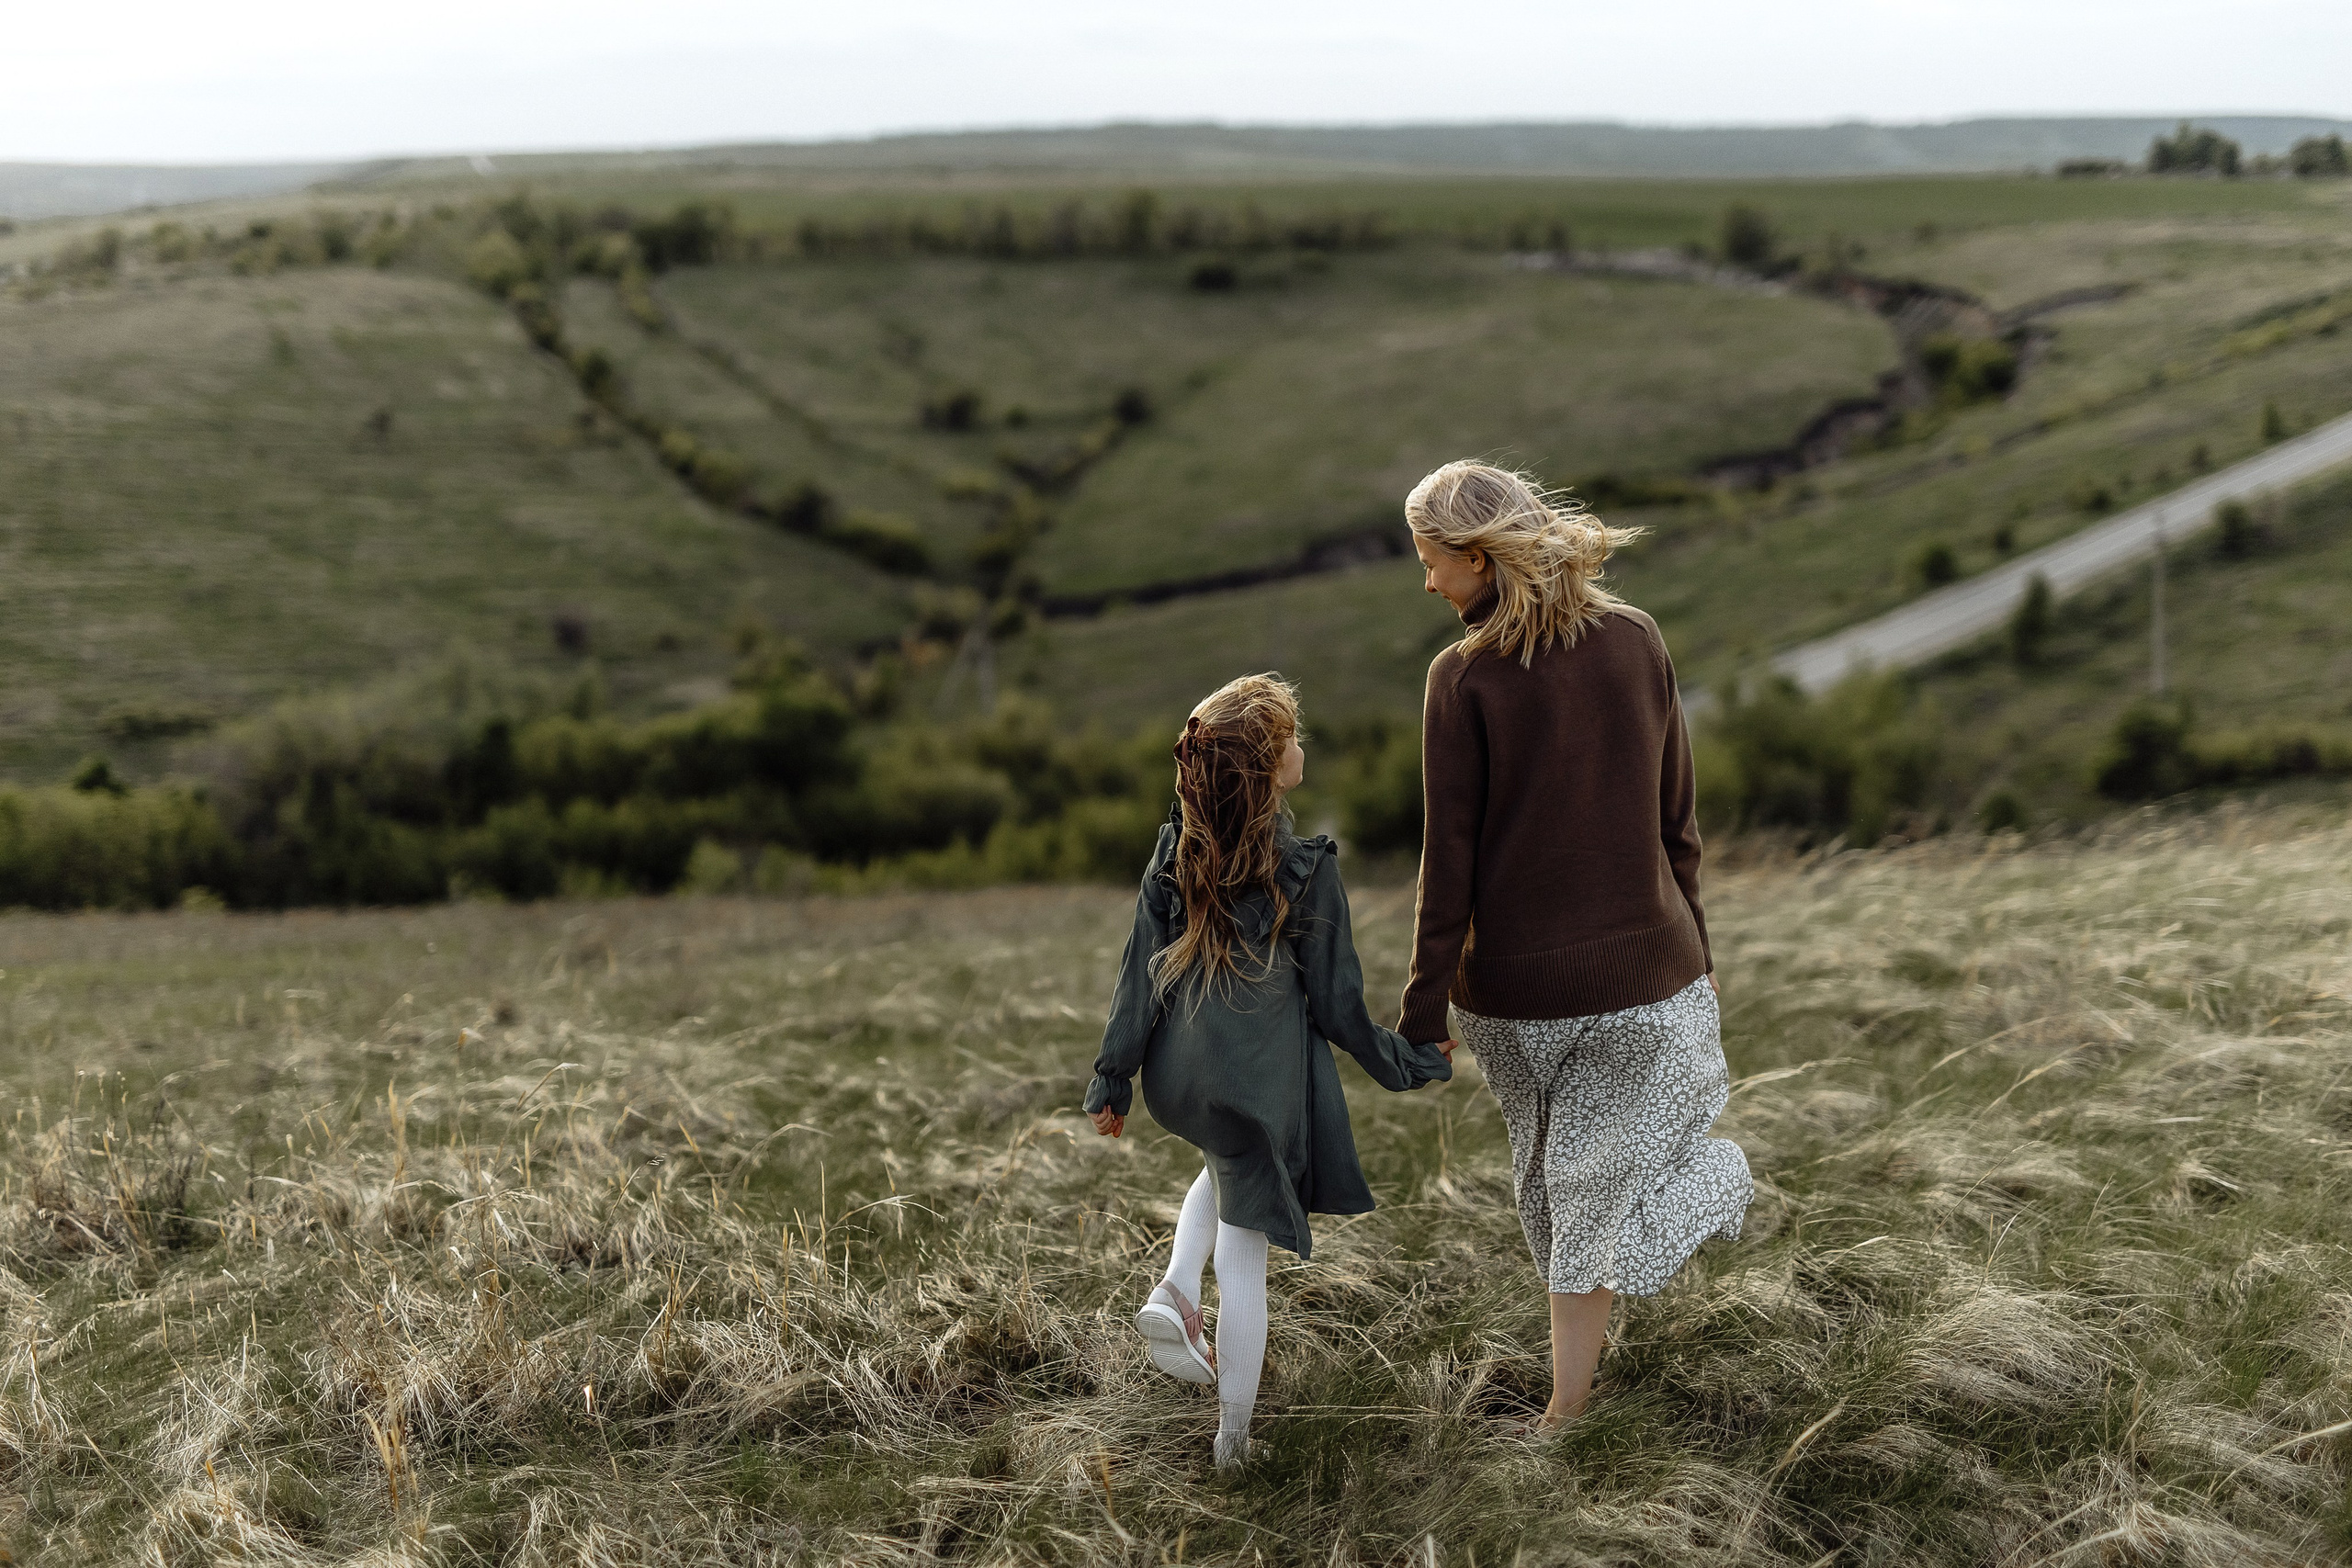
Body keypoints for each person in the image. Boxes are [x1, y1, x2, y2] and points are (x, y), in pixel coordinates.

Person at [1397, 460, 1751, 1431]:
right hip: (1535, 1003)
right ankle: (1574, 1387)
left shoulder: (1461, 677)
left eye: (1432, 564)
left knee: (1580, 1204)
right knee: (1553, 1204)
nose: (1427, 585)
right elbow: (1679, 823)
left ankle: (1564, 1413)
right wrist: (1698, 951)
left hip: (1608, 992)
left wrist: (1422, 1010)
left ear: (1477, 557)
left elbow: (1448, 865)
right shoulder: (1629, 639)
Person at [1084, 673, 1453, 1470]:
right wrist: (1409, 1061)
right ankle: (1234, 1442)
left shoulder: (1176, 850)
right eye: (1288, 735)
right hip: (1251, 1081)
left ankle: (1177, 1289)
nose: (1300, 744)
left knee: (1225, 1165)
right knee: (1245, 1254)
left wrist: (1112, 1080)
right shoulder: (1306, 870)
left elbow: (1135, 972)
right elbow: (1340, 1008)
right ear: (1264, 767)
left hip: (1178, 1075)